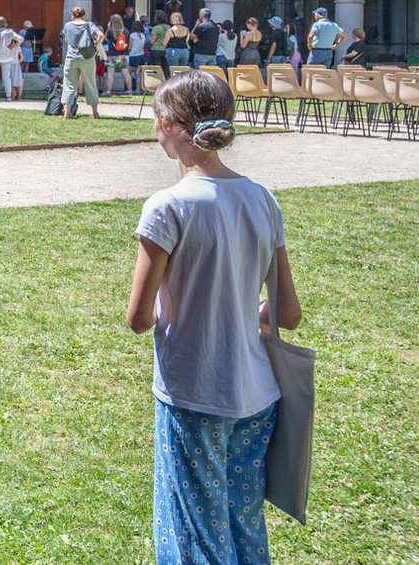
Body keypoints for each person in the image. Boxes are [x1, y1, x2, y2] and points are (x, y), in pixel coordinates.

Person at [126, 70, 299, 565]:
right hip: (257, 395)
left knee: (193, 534)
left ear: (165, 123)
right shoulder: (262, 198)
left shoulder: (167, 207)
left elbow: (139, 318)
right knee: (242, 526)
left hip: (194, 389)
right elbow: (287, 312)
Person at [60, 5, 104, 119]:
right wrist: (95, 44)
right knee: (90, 83)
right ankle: (95, 113)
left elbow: (65, 40)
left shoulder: (67, 25)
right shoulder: (88, 24)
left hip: (71, 57)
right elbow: (101, 35)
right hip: (87, 57)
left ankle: (67, 113)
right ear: (84, 15)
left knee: (69, 84)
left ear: (72, 15)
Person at [104, 14, 130, 95]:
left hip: (112, 54)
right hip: (123, 54)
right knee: (126, 73)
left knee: (110, 73)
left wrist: (108, 28)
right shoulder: (125, 31)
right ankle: (130, 90)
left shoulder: (110, 31)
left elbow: (105, 39)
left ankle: (109, 91)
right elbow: (127, 42)